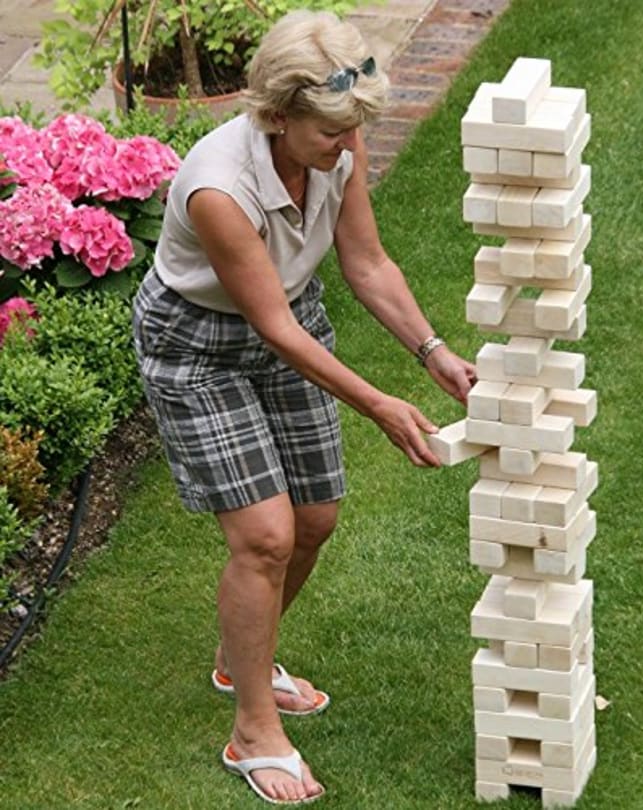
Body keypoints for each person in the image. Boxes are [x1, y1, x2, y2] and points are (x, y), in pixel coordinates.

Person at [132, 8, 475, 806]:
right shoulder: (221, 188)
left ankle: (239, 657)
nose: (346, 147)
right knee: (264, 535)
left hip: (285, 317)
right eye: (329, 133)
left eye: (353, 129)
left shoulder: (337, 138)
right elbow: (274, 330)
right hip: (200, 346)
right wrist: (381, 405)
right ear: (276, 115)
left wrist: (433, 353)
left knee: (314, 518)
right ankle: (253, 727)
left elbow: (367, 261)